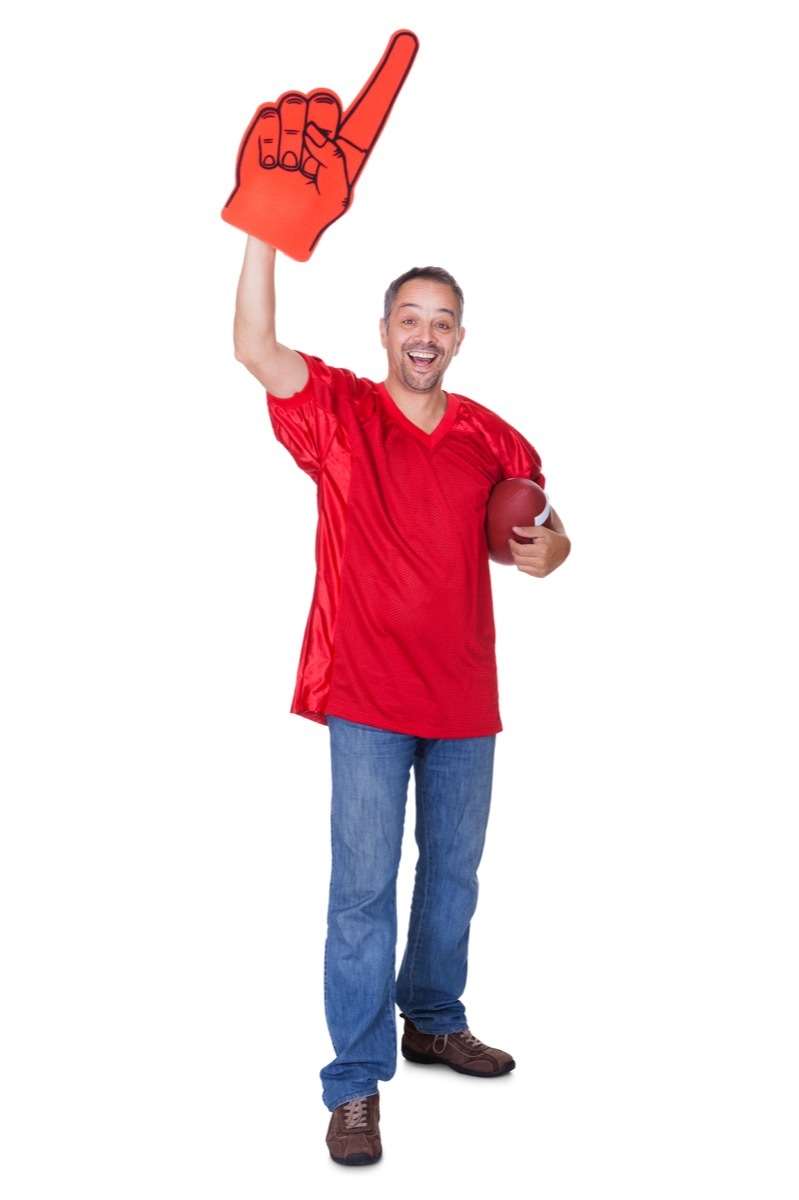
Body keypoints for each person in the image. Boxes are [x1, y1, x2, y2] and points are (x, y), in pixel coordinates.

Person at [233, 235, 571, 1166]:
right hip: (368, 694)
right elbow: (256, 347)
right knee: (362, 889)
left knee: (453, 879)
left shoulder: (492, 436)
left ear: (459, 339)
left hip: (466, 697)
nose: (425, 336)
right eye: (410, 319)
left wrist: (558, 549)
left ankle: (431, 1019)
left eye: (442, 322)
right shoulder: (339, 411)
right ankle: (352, 1082)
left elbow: (542, 526)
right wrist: (264, 230)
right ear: (384, 330)